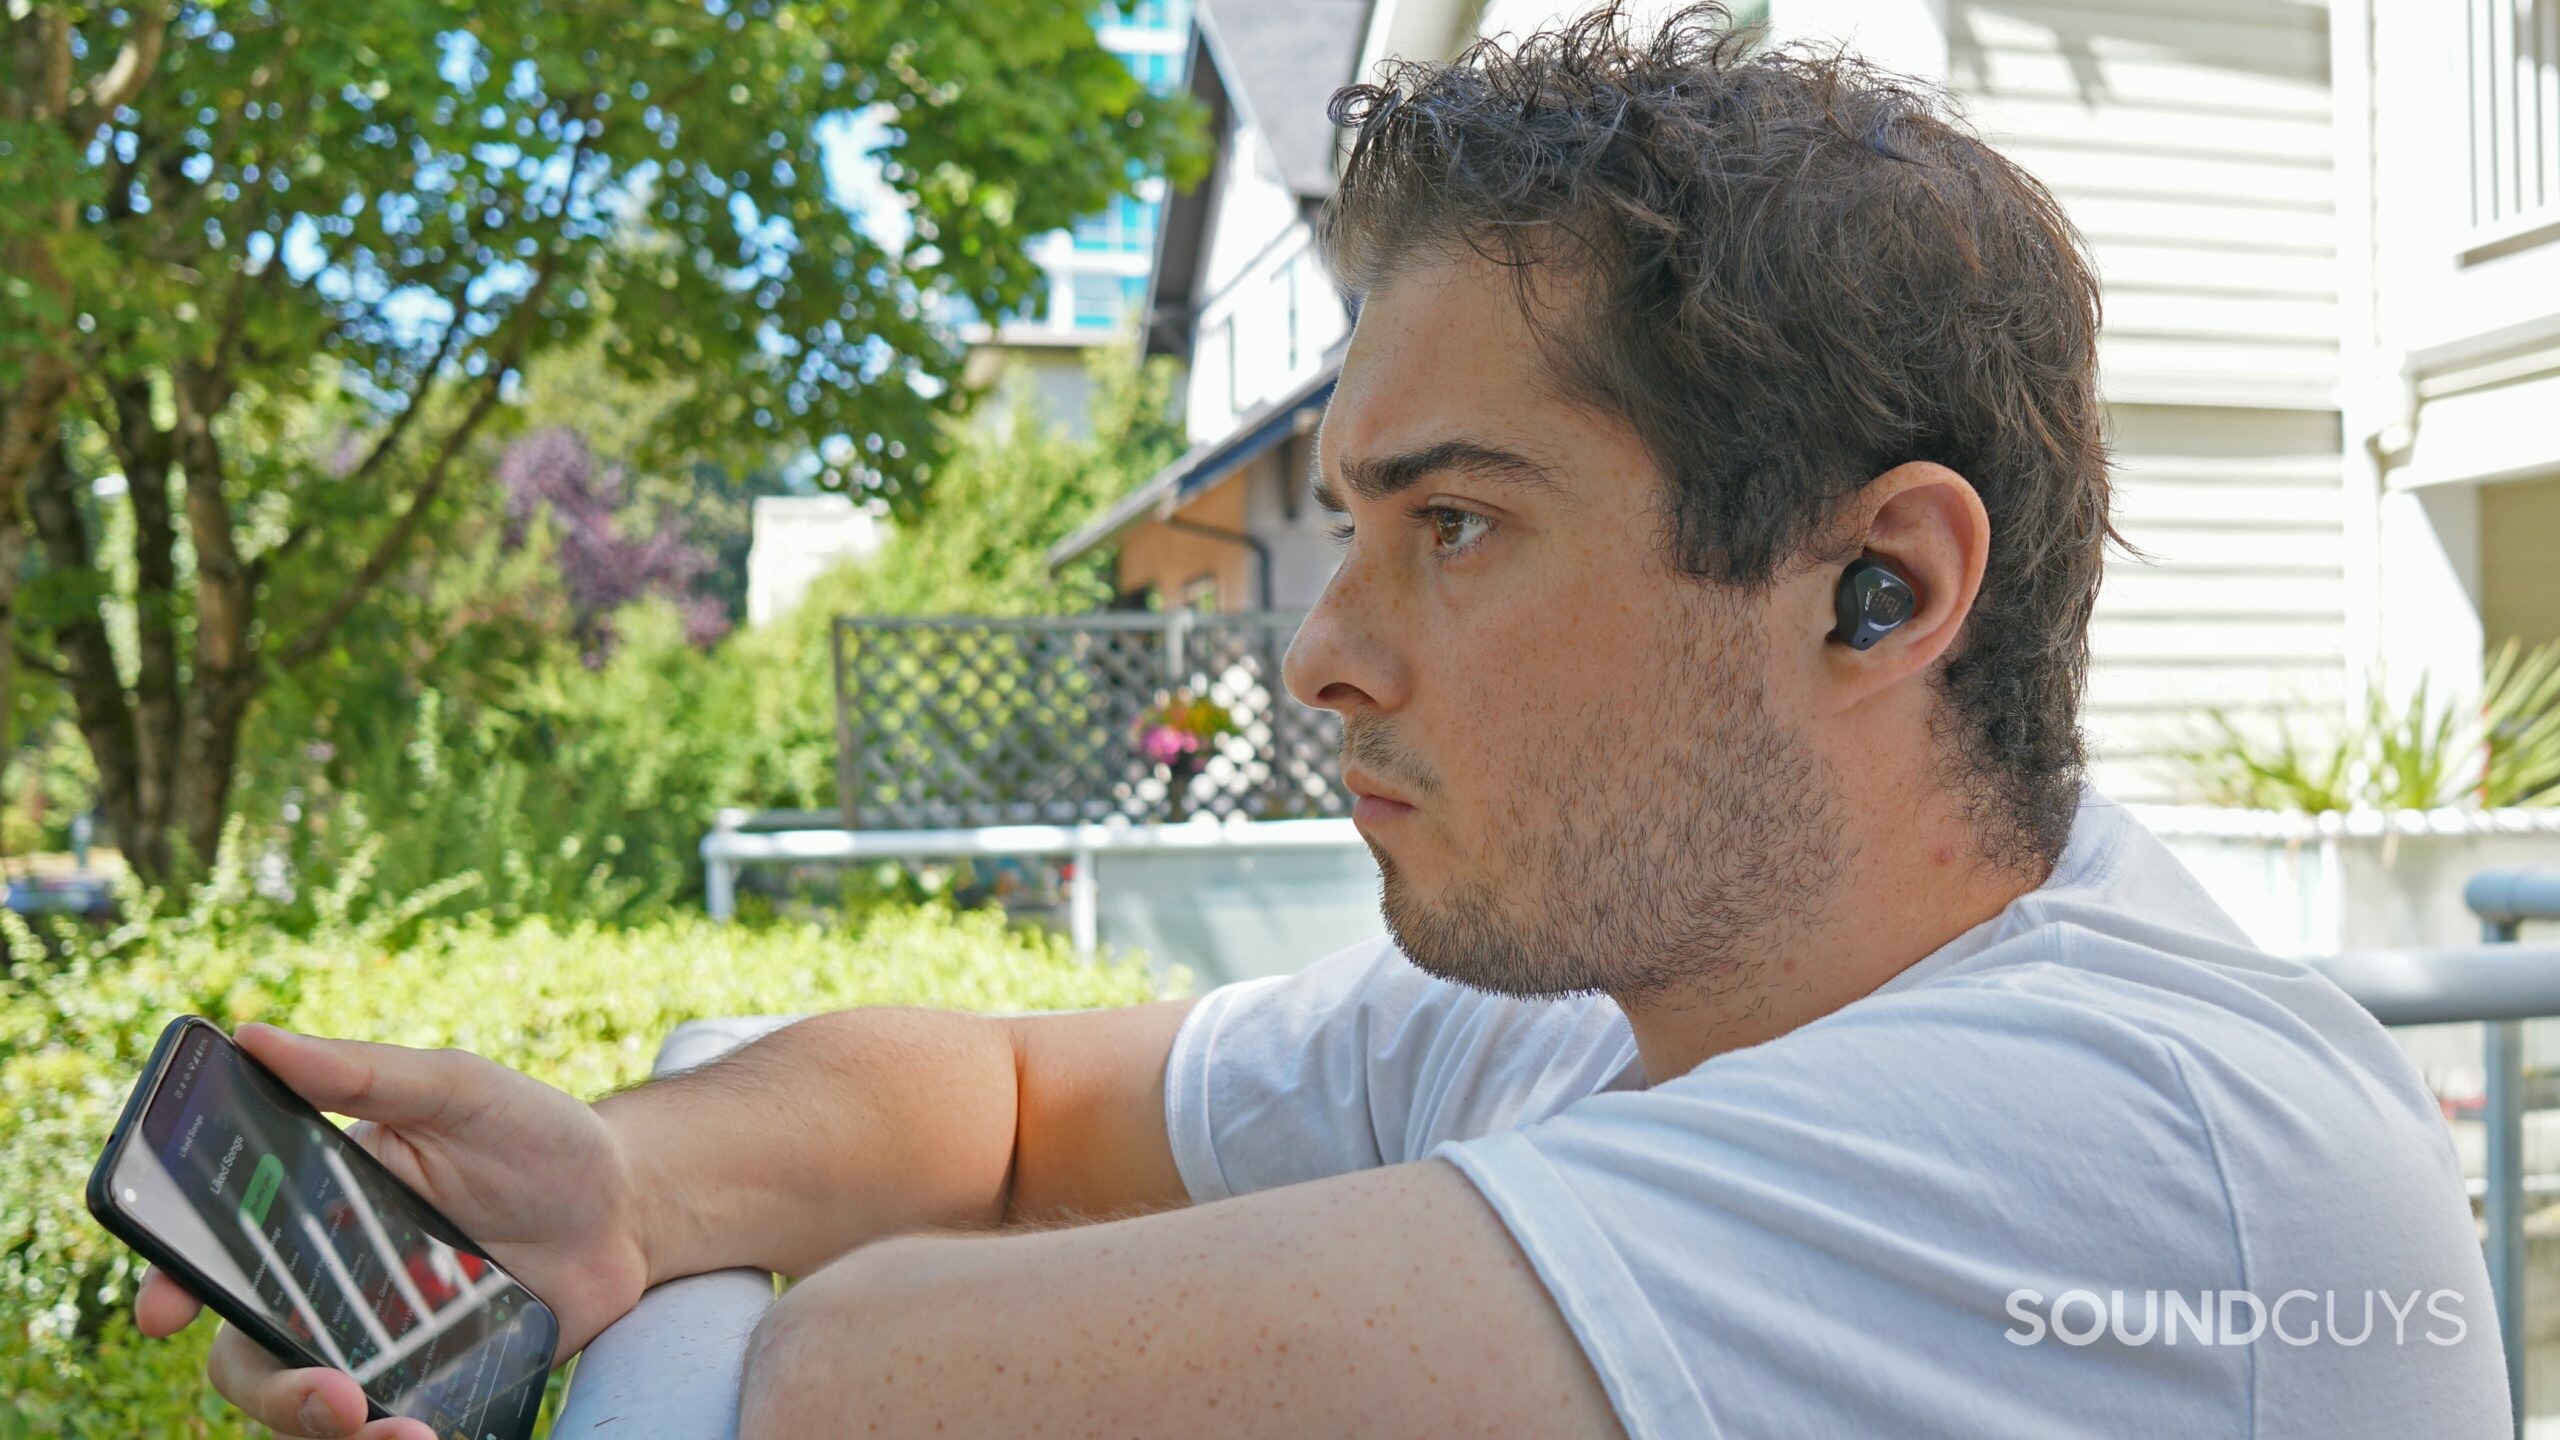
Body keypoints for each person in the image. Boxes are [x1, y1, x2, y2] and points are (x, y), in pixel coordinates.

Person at [137, 6, 2508, 1436]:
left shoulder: (2132, 1152)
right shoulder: (1601, 1015)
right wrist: (627, 1193)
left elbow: (832, 1401)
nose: (1318, 651)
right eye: (1341, 523)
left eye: (1454, 526)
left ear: (1874, 584)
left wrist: (696, 1312)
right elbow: (1003, 1097)